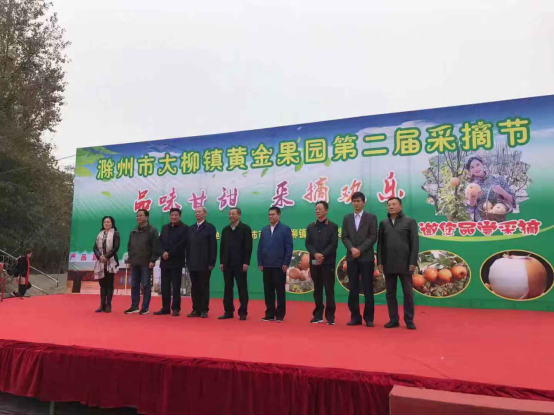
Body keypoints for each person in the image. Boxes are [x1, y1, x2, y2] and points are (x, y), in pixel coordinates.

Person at [377, 197, 419, 330]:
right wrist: (380, 262)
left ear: (400, 206)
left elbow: (415, 243)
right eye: (389, 205)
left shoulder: (410, 221)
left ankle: (409, 320)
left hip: (405, 263)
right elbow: (380, 244)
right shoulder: (383, 223)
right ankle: (393, 319)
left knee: (408, 293)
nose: (391, 207)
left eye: (394, 204)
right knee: (390, 293)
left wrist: (412, 262)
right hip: (388, 263)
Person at [341, 192, 378, 327]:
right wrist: (352, 249)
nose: (356, 204)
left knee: (368, 288)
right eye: (354, 201)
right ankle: (355, 317)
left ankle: (369, 318)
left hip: (366, 257)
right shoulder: (347, 218)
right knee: (353, 288)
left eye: (358, 201)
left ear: (364, 202)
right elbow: (344, 237)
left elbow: (373, 236)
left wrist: (360, 249)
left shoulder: (371, 217)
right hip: (352, 258)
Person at [257, 206, 293, 323]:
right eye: (269, 214)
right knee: (268, 291)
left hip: (279, 265)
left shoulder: (285, 229)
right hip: (266, 265)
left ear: (279, 215)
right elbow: (260, 247)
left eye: (273, 214)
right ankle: (270, 314)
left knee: (280, 291)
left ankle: (280, 315)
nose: (270, 216)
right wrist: (260, 262)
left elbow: (289, 248)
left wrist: (286, 262)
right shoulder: (264, 230)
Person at [305, 201, 338, 325]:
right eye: (316, 209)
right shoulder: (310, 227)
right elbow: (308, 243)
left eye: (320, 209)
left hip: (328, 262)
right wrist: (315, 254)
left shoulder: (333, 226)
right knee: (317, 289)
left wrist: (322, 255)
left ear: (326, 210)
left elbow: (333, 244)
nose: (317, 211)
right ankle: (318, 315)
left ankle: (330, 316)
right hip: (315, 261)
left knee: (329, 289)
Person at [219, 207, 253, 321]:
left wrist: (246, 262)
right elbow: (222, 247)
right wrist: (222, 262)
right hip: (227, 264)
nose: (231, 216)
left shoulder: (245, 229)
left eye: (233, 214)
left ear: (239, 215)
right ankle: (228, 311)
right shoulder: (225, 230)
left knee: (242, 288)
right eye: (230, 214)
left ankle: (243, 312)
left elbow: (248, 247)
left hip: (240, 264)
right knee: (228, 288)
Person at [154, 208, 189, 317]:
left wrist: (169, 253)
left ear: (180, 216)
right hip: (164, 262)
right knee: (165, 287)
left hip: (176, 261)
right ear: (169, 216)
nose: (174, 217)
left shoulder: (185, 228)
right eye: (172, 215)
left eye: (176, 215)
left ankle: (176, 308)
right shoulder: (165, 227)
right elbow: (159, 242)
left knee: (176, 286)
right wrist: (162, 253)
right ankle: (165, 308)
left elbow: (182, 244)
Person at [125, 209, 159, 315]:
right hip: (135, 262)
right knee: (134, 285)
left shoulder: (152, 230)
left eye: (140, 215)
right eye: (137, 216)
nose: (138, 217)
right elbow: (130, 246)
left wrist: (153, 260)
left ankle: (145, 307)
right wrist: (130, 259)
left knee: (146, 285)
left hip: (146, 262)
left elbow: (156, 247)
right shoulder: (133, 231)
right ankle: (134, 306)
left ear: (147, 217)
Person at [187, 206, 217, 318]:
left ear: (205, 214)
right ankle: (196, 309)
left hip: (205, 263)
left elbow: (213, 246)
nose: (197, 214)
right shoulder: (191, 228)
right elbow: (188, 246)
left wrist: (212, 262)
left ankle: (204, 309)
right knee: (194, 287)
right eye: (196, 212)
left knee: (204, 286)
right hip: (192, 262)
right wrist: (188, 261)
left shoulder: (210, 227)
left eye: (199, 212)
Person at [465, 155, 516, 221]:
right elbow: (471, 209)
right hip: (482, 220)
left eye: (478, 165)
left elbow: (512, 201)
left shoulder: (497, 179)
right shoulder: (470, 187)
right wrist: (473, 198)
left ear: (482, 164)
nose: (476, 168)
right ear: (469, 170)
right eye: (472, 167)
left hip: (500, 216)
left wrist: (502, 192)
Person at [92, 216, 120, 313]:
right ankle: (102, 304)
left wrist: (106, 256)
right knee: (102, 284)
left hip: (111, 261)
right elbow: (95, 248)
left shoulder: (115, 233)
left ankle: (108, 304)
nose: (106, 223)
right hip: (101, 262)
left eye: (108, 222)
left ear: (112, 223)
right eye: (105, 222)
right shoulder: (100, 234)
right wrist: (100, 256)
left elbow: (116, 247)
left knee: (109, 284)